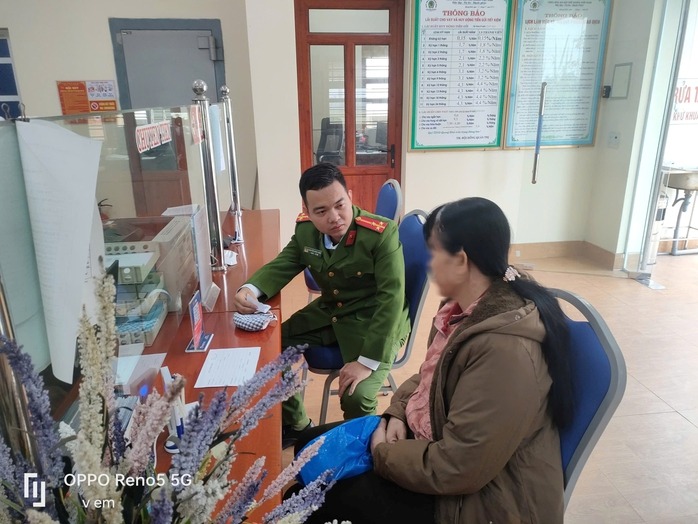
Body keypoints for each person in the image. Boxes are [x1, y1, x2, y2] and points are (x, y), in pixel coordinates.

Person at [294, 197, 574, 523]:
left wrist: (384, 453)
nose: (428, 264)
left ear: (461, 260)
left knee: (312, 502)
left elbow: (460, 467)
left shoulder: (505, 351)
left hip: (479, 500)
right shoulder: (461, 310)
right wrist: (397, 413)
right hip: (439, 447)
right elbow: (430, 376)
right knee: (306, 449)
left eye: (433, 252)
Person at [234, 163, 410, 448]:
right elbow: (286, 262)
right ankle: (297, 424)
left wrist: (365, 362)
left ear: (349, 196)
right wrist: (251, 289)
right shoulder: (307, 231)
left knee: (356, 395)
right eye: (321, 211)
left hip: (374, 322)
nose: (334, 217)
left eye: (340, 205)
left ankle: (360, 454)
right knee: (271, 347)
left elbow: (391, 301)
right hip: (332, 311)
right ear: (307, 210)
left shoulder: (380, 234)